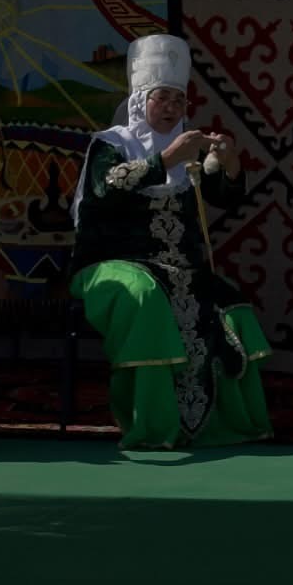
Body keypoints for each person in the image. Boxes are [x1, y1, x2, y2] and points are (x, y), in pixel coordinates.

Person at [70, 33, 271, 450]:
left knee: (232, 309)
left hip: (181, 269)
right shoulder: (110, 145)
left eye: (179, 101)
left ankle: (230, 424)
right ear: (140, 101)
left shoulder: (188, 153)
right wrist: (164, 160)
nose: (172, 108)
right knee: (146, 297)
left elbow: (224, 198)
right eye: (162, 98)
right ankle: (152, 426)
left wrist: (230, 163)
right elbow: (104, 191)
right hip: (112, 265)